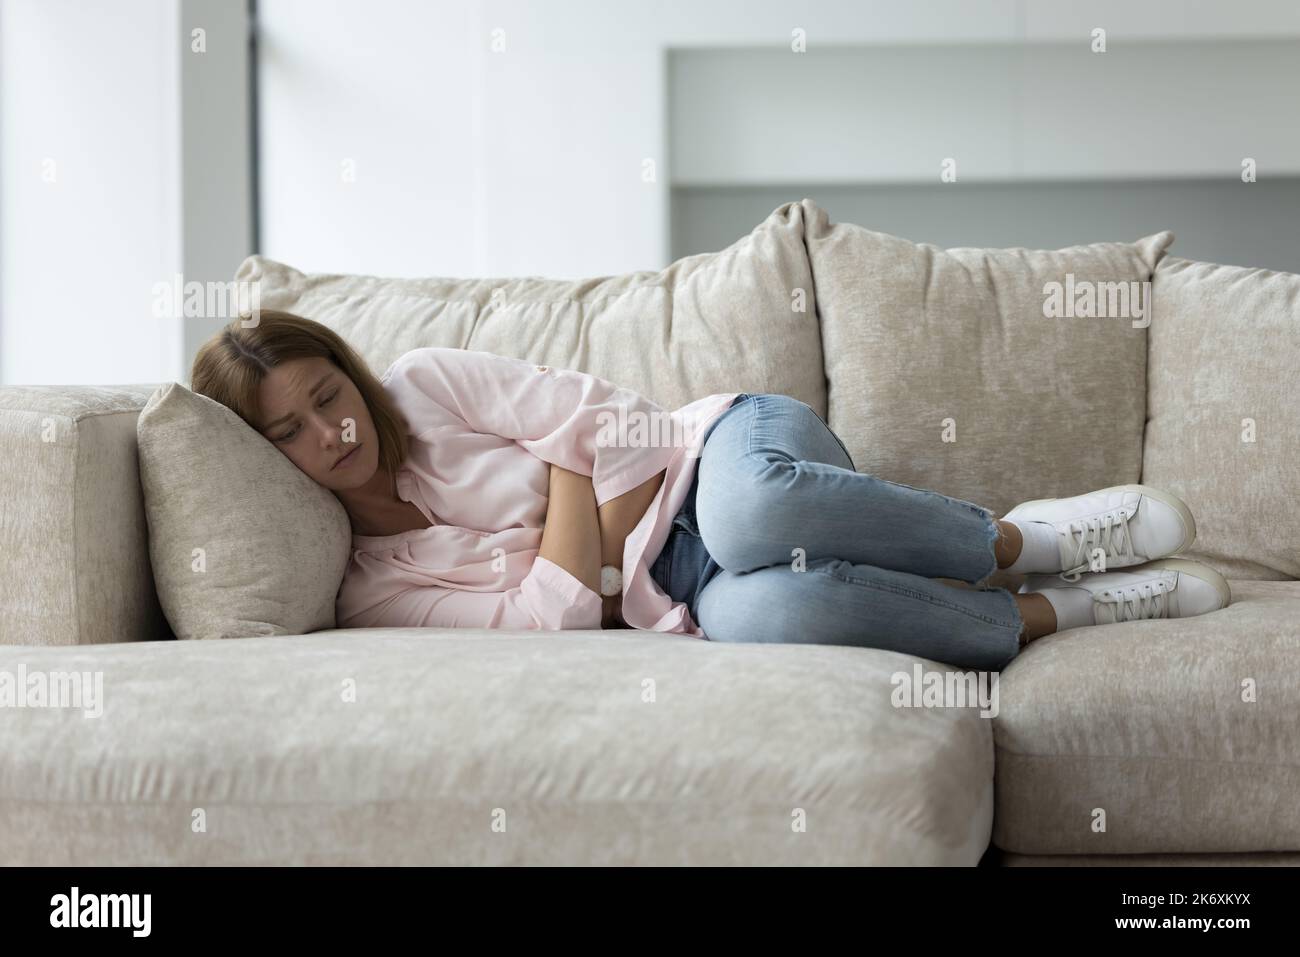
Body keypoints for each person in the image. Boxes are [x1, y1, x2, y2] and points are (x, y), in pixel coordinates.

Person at [191, 310, 1230, 672]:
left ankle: (1022, 545)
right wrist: (568, 471)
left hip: (727, 449)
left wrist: (587, 557)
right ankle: (1069, 610)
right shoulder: (368, 585)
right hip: (676, 596)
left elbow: (624, 423)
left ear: (351, 374)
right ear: (259, 453)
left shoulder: (424, 382)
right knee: (778, 605)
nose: (330, 433)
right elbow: (553, 624)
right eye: (287, 431)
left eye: (328, 396)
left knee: (753, 515)